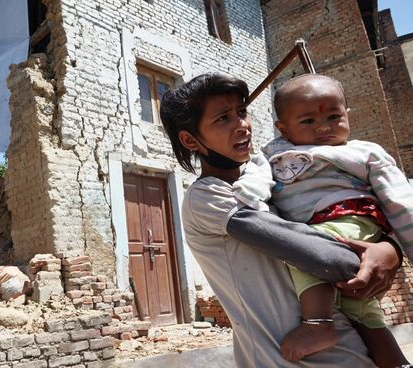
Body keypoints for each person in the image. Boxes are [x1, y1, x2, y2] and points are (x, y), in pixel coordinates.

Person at [159, 72, 402, 367]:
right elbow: (328, 256)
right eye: (223, 118)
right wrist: (388, 252)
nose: (242, 126)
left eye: (241, 112)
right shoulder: (208, 198)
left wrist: (389, 249)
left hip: (353, 354)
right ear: (189, 139)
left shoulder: (273, 181)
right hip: (286, 359)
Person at [234, 73, 411, 365]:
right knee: (363, 309)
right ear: (283, 128)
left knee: (305, 251)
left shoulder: (363, 152)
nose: (324, 128)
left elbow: (400, 200)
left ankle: (317, 325)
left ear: (347, 115)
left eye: (333, 116)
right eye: (308, 122)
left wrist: (403, 246)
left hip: (350, 218)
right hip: (318, 229)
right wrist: (249, 194)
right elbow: (258, 175)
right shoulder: (275, 153)